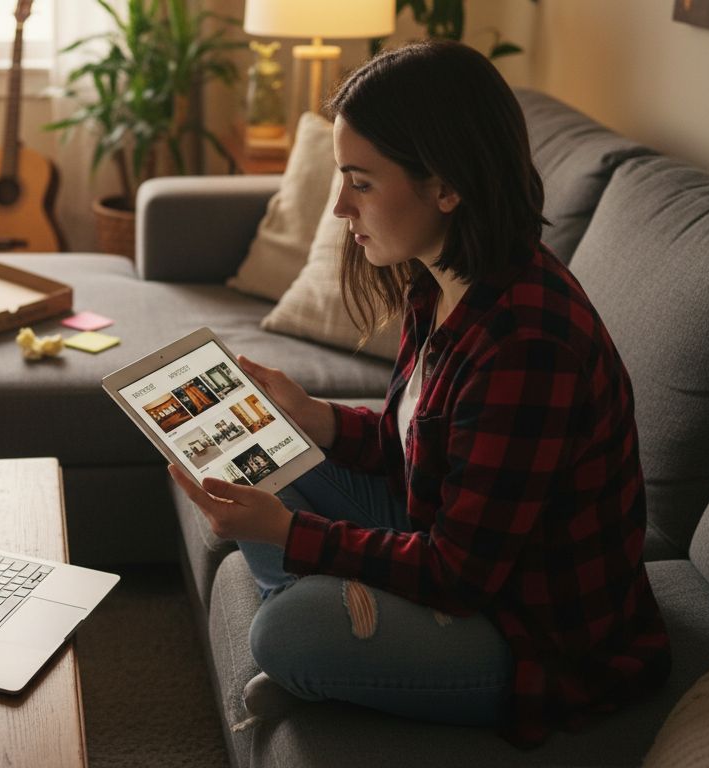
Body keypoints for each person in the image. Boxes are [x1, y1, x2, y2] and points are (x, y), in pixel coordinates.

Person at [169, 40, 670, 747]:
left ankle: (331, 641)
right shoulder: (443, 282)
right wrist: (313, 418)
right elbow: (416, 448)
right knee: (265, 457)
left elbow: (461, 576)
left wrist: (288, 536)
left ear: (446, 185)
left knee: (285, 631)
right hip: (446, 536)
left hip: (532, 630)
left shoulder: (527, 345)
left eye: (361, 182)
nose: (339, 205)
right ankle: (351, 637)